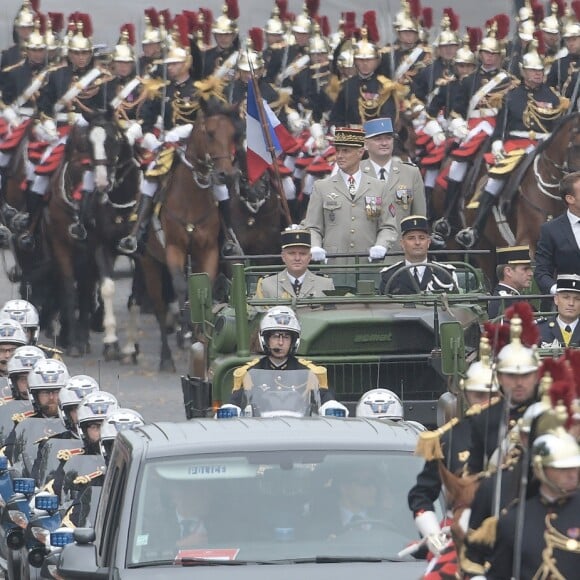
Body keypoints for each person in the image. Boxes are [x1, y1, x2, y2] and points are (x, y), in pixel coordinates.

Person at [455, 41, 567, 249]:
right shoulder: (512, 95)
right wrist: (497, 143)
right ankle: (476, 227)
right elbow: (500, 128)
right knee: (495, 180)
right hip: (516, 146)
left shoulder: (553, 97)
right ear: (523, 72)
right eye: (533, 70)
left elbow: (558, 128)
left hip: (543, 145)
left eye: (540, 70)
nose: (537, 74)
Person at [409, 336, 500, 557]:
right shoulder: (448, 438)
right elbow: (421, 495)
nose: (485, 402)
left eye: (492, 396)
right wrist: (432, 534)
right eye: (479, 395)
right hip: (460, 540)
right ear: (466, 395)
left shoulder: (518, 434)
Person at [486, 430, 580, 579]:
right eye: (563, 469)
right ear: (539, 469)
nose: (572, 475)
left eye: (575, 467)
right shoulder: (514, 520)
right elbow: (500, 574)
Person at [302, 127, 398, 264]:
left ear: (360, 152)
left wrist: (381, 245)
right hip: (334, 265)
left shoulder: (379, 187)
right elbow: (312, 226)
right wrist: (315, 246)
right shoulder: (322, 187)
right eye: (338, 151)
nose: (339, 156)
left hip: (368, 264)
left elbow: (388, 226)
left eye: (346, 151)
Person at [467, 306, 540, 475]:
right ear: (498, 377)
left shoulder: (548, 418)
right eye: (511, 375)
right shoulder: (483, 421)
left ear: (536, 376)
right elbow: (474, 475)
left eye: (525, 375)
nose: (519, 382)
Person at [230, 306, 334, 407]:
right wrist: (230, 407)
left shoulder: (309, 372)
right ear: (266, 339)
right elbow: (236, 402)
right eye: (275, 336)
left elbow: (324, 398)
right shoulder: (250, 372)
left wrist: (331, 405)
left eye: (286, 337)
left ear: (293, 341)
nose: (280, 343)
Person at [361, 117, 426, 255]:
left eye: (388, 138)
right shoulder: (356, 172)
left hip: (400, 254)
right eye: (378, 139)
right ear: (366, 144)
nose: (384, 143)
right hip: (365, 254)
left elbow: (418, 217)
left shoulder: (410, 172)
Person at [379, 215, 458, 295]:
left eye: (422, 238)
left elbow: (455, 305)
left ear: (428, 242)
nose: (417, 242)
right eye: (411, 238)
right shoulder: (389, 276)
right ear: (402, 243)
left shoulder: (445, 274)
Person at [254, 226, 335, 299]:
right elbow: (257, 313)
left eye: (302, 254)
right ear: (283, 256)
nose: (297, 258)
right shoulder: (267, 284)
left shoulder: (325, 284)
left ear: (310, 257)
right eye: (292, 253)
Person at [534, 171, 580, 295]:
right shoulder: (551, 230)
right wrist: (559, 291)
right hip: (570, 303)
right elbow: (541, 272)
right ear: (570, 198)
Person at [488, 245, 533, 319]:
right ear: (508, 271)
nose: (531, 273)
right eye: (525, 269)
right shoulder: (504, 303)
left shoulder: (512, 299)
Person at [538, 274, 580, 347]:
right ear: (556, 299)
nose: (571, 303)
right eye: (566, 297)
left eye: (577, 299)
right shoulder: (539, 330)